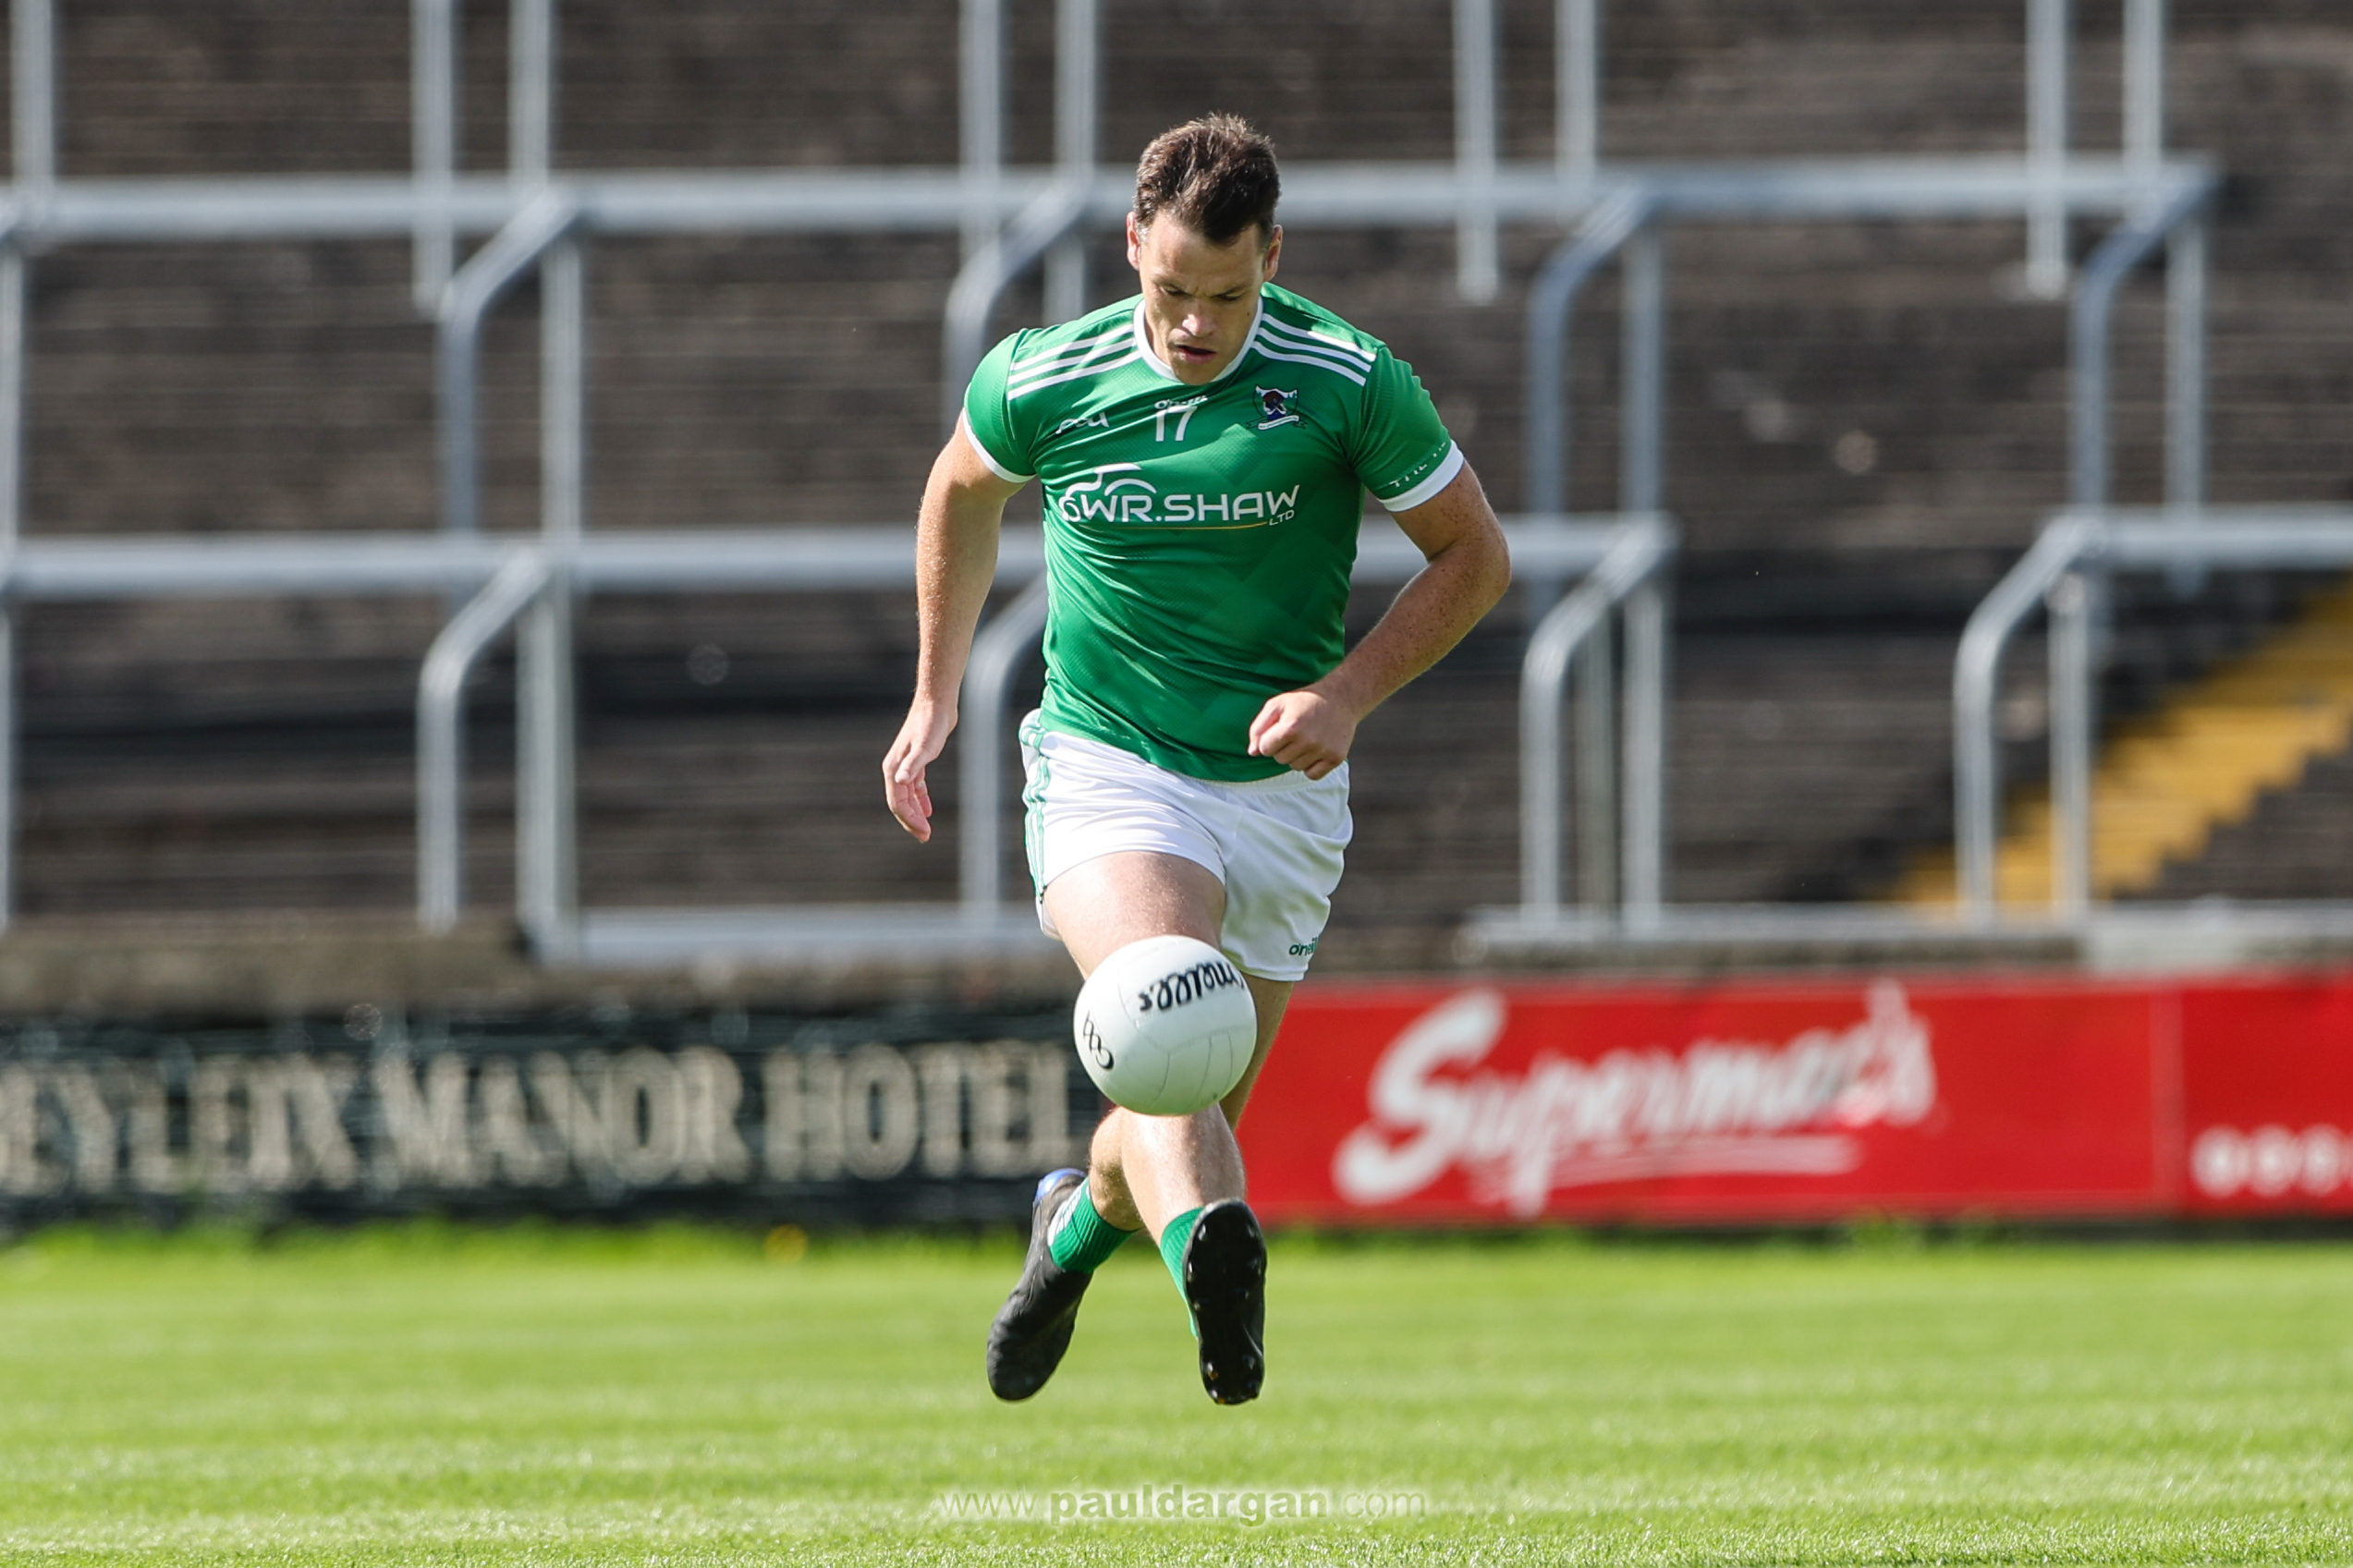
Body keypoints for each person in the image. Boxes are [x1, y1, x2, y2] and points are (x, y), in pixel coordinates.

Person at [883, 114, 1511, 1405]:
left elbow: (1475, 556)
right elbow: (958, 490)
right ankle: (1217, 1266)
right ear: (1132, 245)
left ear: (1272, 256)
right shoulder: (1045, 375)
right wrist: (935, 691)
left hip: (1282, 799)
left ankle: (1071, 1231)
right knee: (1165, 1012)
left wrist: (1346, 693)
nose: (1192, 325)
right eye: (1172, 290)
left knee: (1175, 1106)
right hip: (1108, 764)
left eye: (1225, 296)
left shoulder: (1346, 379)